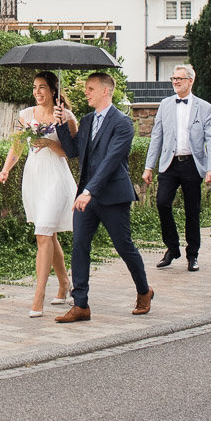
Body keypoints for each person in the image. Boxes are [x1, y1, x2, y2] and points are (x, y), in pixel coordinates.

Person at [53, 72, 153, 322]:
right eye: (86, 88)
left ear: (106, 91)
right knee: (79, 246)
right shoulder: (86, 121)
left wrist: (89, 191)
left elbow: (110, 161)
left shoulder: (123, 123)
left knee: (124, 246)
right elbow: (73, 151)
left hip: (112, 196)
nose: (86, 92)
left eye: (90, 88)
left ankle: (144, 291)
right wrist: (62, 124)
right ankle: (81, 305)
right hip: (86, 196)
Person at [0, 71, 78, 316]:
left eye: (42, 87)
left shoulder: (66, 116)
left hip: (56, 177)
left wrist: (52, 144)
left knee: (42, 234)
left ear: (53, 90)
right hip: (34, 177)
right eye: (34, 87)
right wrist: (6, 169)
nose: (38, 92)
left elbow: (72, 152)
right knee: (48, 235)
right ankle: (65, 283)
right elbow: (18, 145)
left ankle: (38, 297)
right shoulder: (26, 115)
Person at [141, 63, 211, 272]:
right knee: (162, 203)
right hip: (169, 164)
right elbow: (156, 136)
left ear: (190, 81)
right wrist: (149, 166)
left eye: (179, 79)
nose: (175, 82)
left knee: (192, 211)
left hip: (193, 164)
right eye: (173, 79)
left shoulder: (204, 108)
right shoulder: (165, 104)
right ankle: (172, 248)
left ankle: (192, 255)